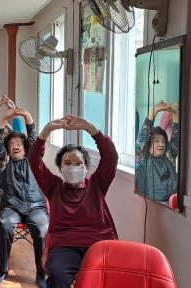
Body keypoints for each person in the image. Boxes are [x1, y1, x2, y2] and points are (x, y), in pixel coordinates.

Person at [28, 116, 119, 288]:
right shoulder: (53, 185)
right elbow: (34, 161)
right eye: (67, 163)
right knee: (57, 273)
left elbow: (110, 157)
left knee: (109, 276)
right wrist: (47, 130)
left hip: (100, 244)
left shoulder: (97, 183)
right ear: (60, 168)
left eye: (78, 163)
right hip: (65, 245)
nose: (73, 167)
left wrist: (90, 128)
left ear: (86, 168)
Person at [0, 107, 48, 288]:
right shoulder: (4, 161)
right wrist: (3, 119)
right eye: (11, 144)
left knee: (41, 229)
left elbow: (34, 138)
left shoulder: (34, 160)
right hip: (11, 207)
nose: (15, 146)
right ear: (8, 149)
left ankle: (41, 271)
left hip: (36, 206)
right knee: (5, 226)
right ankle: (3, 269)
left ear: (25, 147)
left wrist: (27, 115)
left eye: (19, 143)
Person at [135, 100, 179, 204]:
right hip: (152, 206)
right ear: (148, 144)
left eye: (164, 141)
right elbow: (144, 134)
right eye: (157, 141)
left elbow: (176, 137)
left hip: (172, 205)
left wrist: (176, 113)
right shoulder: (142, 158)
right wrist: (154, 111)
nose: (161, 144)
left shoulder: (169, 156)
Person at [0, 95, 23, 210]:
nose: (3, 140)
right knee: (0, 202)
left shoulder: (15, 150)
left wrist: (14, 113)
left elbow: (19, 132)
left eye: (6, 136)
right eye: (1, 136)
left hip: (13, 185)